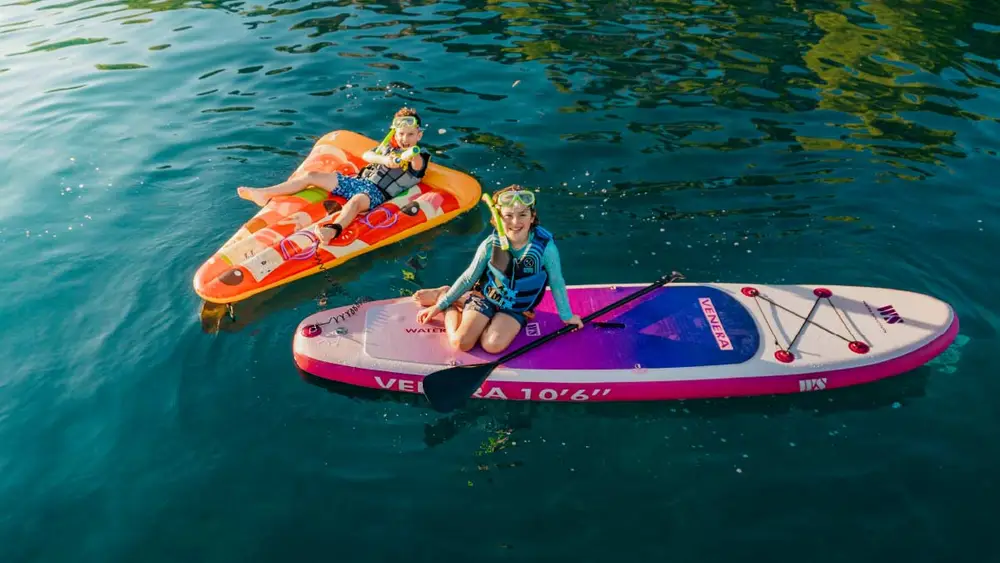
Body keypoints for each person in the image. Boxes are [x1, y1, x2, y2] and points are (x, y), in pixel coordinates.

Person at [413, 185, 584, 354]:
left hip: (517, 307)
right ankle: (445, 296)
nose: (516, 222)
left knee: (492, 346)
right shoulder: (489, 245)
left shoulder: (546, 248)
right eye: (508, 216)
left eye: (522, 215)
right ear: (497, 219)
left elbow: (556, 281)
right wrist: (440, 306)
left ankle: (466, 305)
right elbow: (468, 278)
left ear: (532, 217)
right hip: (486, 297)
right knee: (461, 343)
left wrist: (567, 316)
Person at [236, 107, 430, 243]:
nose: (405, 138)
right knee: (312, 175)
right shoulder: (388, 148)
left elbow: (415, 162)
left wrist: (405, 155)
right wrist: (385, 159)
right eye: (401, 134)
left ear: (418, 135)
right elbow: (367, 155)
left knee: (355, 202)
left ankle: (333, 229)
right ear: (395, 133)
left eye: (410, 134)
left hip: (375, 194)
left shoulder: (417, 156)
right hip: (357, 181)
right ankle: (264, 193)